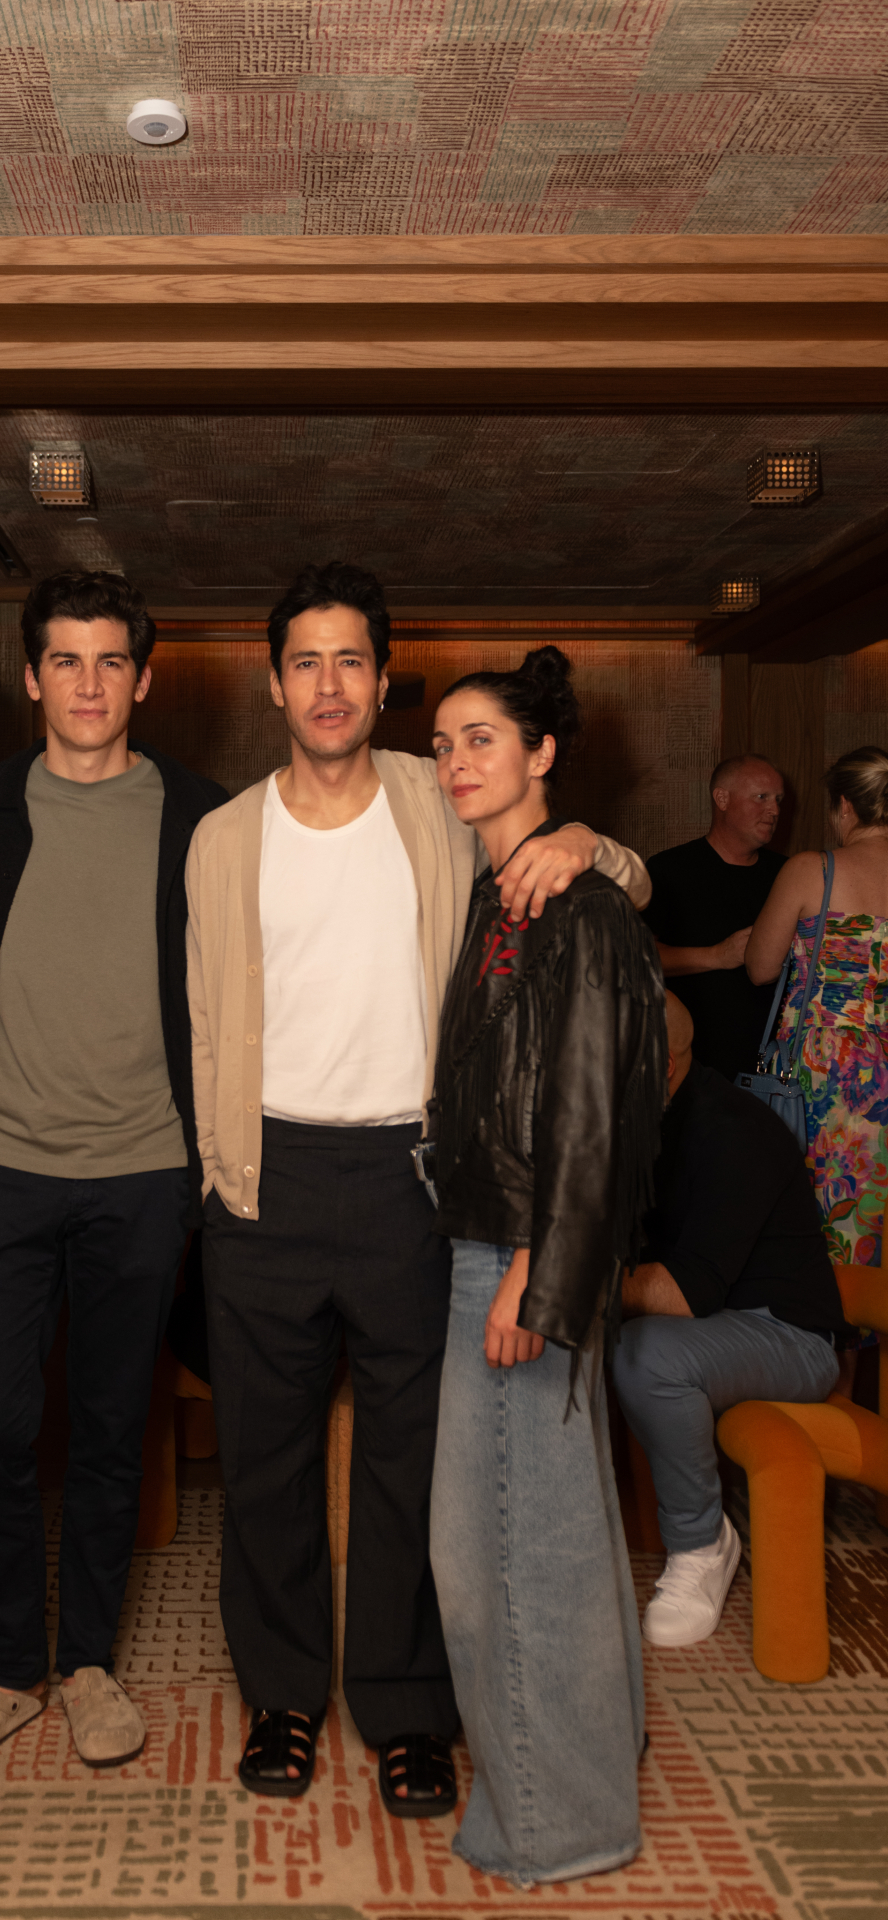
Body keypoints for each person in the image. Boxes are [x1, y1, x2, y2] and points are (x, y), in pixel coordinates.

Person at [185, 565, 650, 1812]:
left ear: (381, 680)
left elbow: (609, 874)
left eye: (351, 661)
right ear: (274, 683)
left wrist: (583, 841)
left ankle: (405, 1707)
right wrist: (220, 1177)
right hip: (266, 1180)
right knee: (266, 1459)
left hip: (412, 1180)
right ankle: (283, 1696)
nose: (328, 684)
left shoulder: (434, 798)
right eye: (305, 661)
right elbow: (205, 1020)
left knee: (413, 1461)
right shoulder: (223, 838)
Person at [0, 571, 226, 1769]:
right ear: (32, 677)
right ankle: (12, 1662)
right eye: (66, 660)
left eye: (111, 662)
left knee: (112, 1428)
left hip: (142, 1167)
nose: (89, 684)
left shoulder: (204, 816)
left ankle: (89, 1661)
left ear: (142, 680)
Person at [427, 646, 667, 1888]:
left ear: (542, 754)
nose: (457, 761)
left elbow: (585, 1109)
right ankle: (583, 1786)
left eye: (482, 738)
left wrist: (535, 1267)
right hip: (491, 1243)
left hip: (517, 1255)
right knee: (555, 1533)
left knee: (505, 1555)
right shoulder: (502, 892)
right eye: (444, 743)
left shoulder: (576, 905)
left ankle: (555, 1824)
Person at [613, 993, 846, 1648]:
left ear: (660, 1064)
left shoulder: (731, 1130)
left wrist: (569, 1278)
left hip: (790, 1336)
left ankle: (701, 1545)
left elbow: (684, 1294)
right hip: (719, 1329)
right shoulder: (643, 1122)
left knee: (644, 1353)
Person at [745, 746, 888, 1269]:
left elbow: (761, 967)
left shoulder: (814, 870)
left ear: (844, 806)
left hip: (828, 1069)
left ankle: (825, 1316)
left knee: (824, 1213)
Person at [644, 755, 785, 1081]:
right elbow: (638, 959)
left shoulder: (787, 874)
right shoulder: (669, 869)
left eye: (778, 800)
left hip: (771, 1068)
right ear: (722, 799)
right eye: (761, 797)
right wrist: (718, 955)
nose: (774, 810)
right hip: (692, 1066)